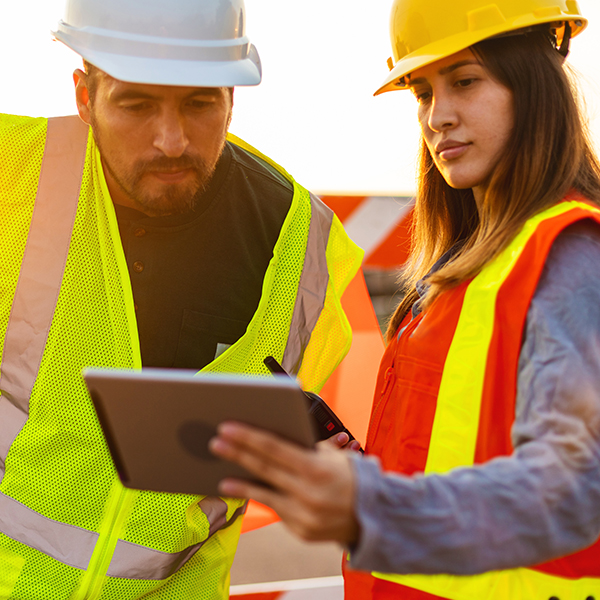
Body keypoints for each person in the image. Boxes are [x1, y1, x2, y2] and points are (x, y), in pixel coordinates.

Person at [209, 0, 600, 598]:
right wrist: (364, 467)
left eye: (465, 81)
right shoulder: (465, 270)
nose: (438, 117)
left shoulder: (570, 257)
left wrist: (369, 502)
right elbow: (458, 457)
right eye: (422, 92)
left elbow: (574, 491)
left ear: (536, 84)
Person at [0, 0, 363, 596]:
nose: (171, 141)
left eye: (198, 103)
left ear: (231, 98)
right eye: (136, 104)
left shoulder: (302, 247)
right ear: (84, 97)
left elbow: (293, 455)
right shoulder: (15, 177)